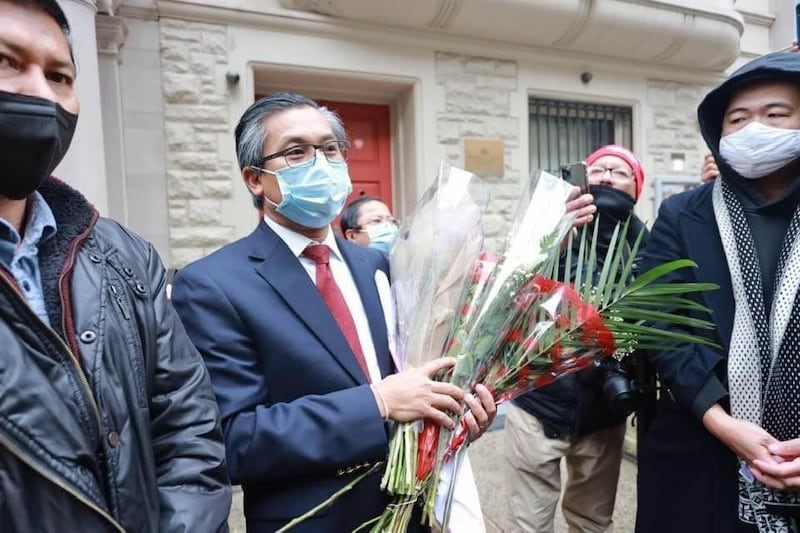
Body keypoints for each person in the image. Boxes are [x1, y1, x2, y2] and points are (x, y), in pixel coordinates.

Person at [170, 92, 502, 532]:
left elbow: (413, 379)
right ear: (255, 178)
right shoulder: (214, 284)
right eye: (296, 152)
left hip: (412, 512)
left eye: (329, 149)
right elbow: (236, 439)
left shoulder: (378, 265)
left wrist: (456, 412)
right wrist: (377, 402)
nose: (320, 162)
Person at [0, 1, 232, 531]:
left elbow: (187, 424)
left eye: (59, 76)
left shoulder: (123, 255)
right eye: (7, 62)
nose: (40, 92)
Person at [637, 50, 800, 532]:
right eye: (738, 118)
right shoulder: (682, 214)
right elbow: (661, 322)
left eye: (776, 114)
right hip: (699, 443)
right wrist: (721, 421)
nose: (755, 128)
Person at [505, 145, 648, 533]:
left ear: (636, 189)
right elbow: (509, 288)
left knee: (591, 522)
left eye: (619, 172)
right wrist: (555, 235)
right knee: (526, 524)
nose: (605, 177)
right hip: (538, 402)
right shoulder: (551, 229)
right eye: (597, 169)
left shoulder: (649, 248)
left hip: (603, 412)